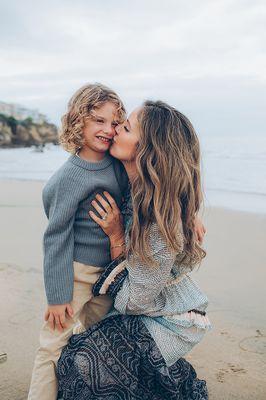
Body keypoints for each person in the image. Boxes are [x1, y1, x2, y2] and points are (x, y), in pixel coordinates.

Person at [57, 100, 211, 399]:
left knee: (83, 362)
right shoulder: (126, 176)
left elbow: (135, 303)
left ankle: (170, 377)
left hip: (169, 320)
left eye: (125, 128)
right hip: (145, 304)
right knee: (79, 354)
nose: (114, 131)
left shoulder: (159, 223)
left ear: (147, 151)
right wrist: (190, 209)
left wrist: (117, 237)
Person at [28, 83, 129, 400]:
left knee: (94, 338)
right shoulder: (67, 177)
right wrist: (57, 296)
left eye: (114, 123)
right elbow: (56, 238)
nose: (108, 129)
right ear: (78, 121)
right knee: (54, 344)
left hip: (109, 274)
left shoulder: (117, 166)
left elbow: (144, 192)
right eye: (99, 120)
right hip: (76, 274)